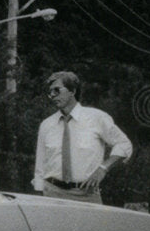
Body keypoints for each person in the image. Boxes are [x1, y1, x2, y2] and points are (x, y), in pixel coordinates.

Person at [33, 70, 132, 204]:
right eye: (50, 92)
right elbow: (40, 165)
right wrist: (40, 194)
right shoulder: (47, 124)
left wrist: (103, 169)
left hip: (87, 195)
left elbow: (124, 144)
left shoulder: (97, 118)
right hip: (52, 194)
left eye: (56, 90)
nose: (52, 95)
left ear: (72, 91)